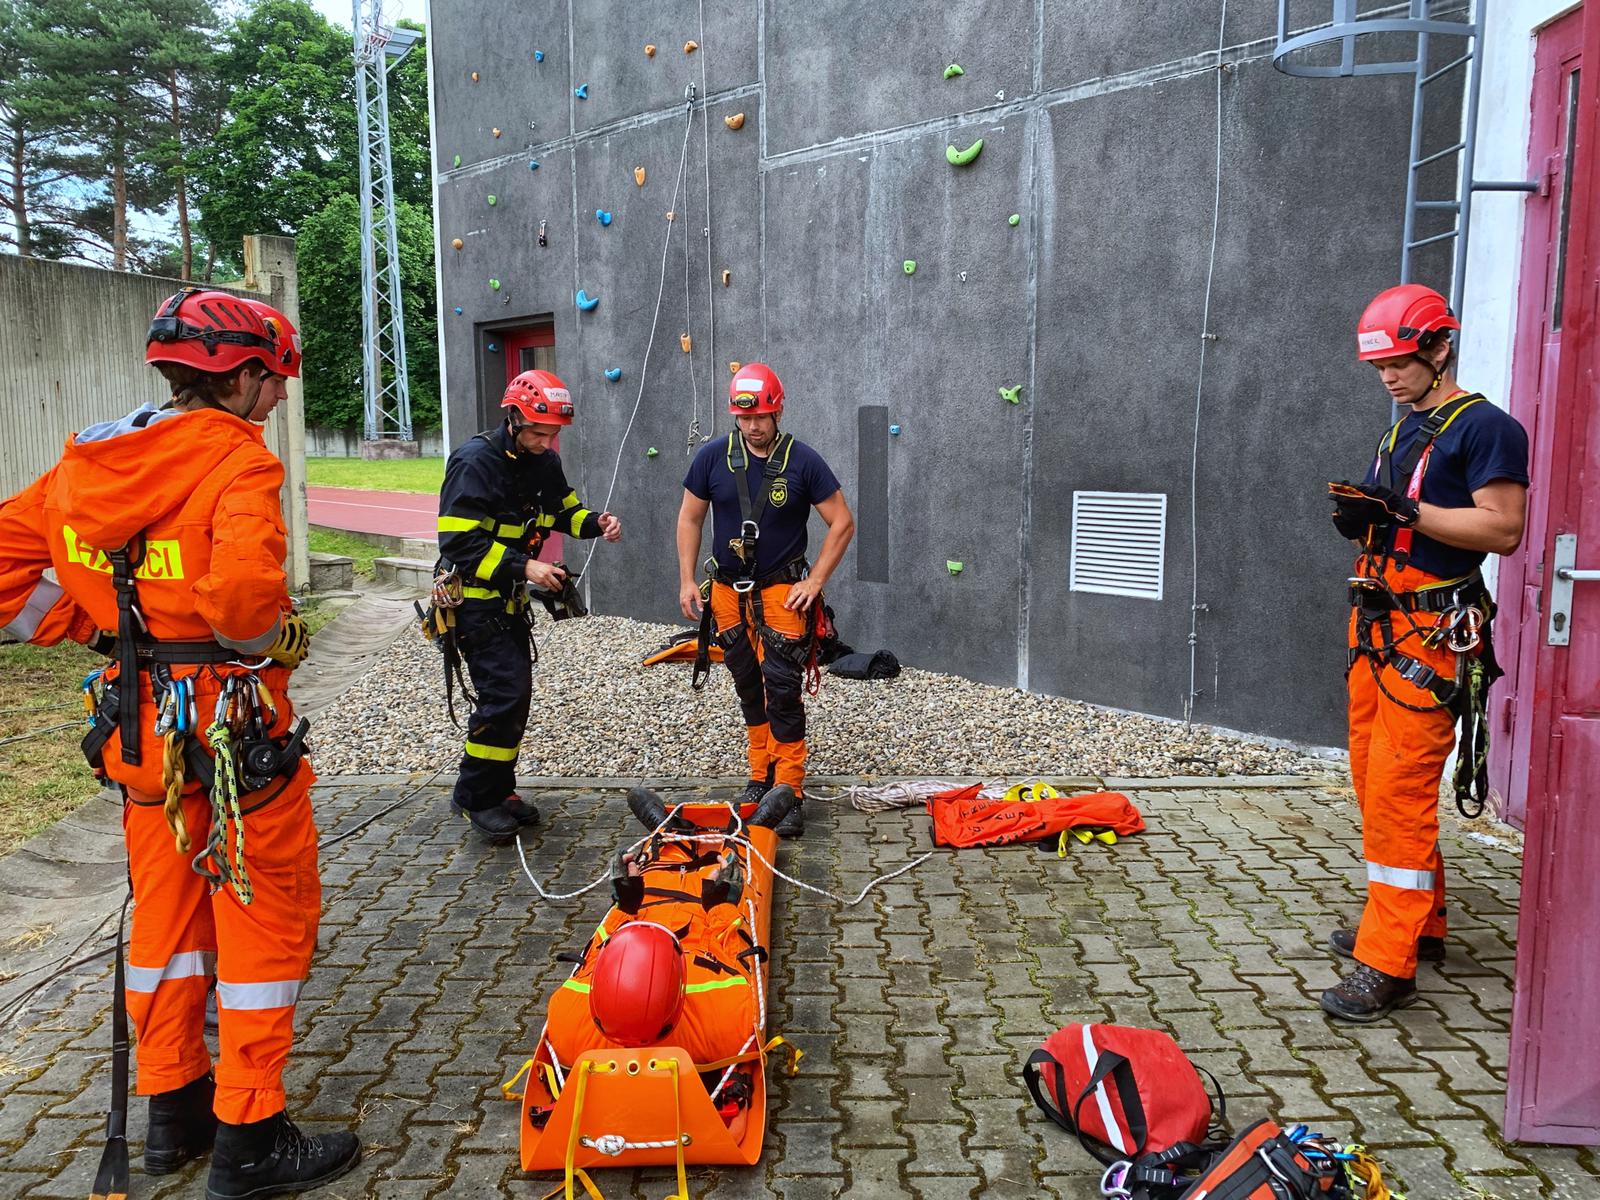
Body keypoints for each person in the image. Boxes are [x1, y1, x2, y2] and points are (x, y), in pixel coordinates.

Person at [0, 288, 361, 1197]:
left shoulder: (87, 465)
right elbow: (243, 608)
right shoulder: (235, 464)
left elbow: (8, 569)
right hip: (237, 742)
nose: (278, 401)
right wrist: (274, 638)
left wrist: (95, 633)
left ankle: (172, 1112)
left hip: (144, 742)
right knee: (263, 923)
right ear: (237, 379)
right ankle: (249, 1138)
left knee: (166, 925)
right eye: (272, 383)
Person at [1321, 284, 1528, 1023]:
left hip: (1432, 637)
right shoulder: (1402, 431)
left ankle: (1389, 960)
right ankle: (1421, 922)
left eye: (1402, 363)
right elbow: (1405, 518)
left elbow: (1503, 530)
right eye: (1380, 369)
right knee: (1373, 780)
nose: (1390, 378)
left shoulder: (1489, 430)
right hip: (1381, 628)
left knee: (1400, 791)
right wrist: (1368, 519)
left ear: (1440, 348)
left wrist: (1409, 510)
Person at [435, 369, 621, 844]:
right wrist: (526, 568)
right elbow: (458, 542)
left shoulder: (544, 463)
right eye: (539, 431)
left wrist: (596, 523)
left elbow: (566, 513)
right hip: (475, 606)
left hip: (509, 605)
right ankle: (476, 798)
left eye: (554, 433)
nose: (546, 441)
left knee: (513, 700)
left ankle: (499, 789)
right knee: (503, 699)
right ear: (514, 418)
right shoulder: (474, 462)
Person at [676, 364, 855, 835]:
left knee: (783, 690)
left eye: (763, 417)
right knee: (747, 687)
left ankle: (790, 791)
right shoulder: (712, 457)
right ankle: (761, 777)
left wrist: (814, 581)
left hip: (782, 592)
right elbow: (690, 519)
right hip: (726, 592)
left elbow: (842, 522)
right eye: (744, 418)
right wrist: (687, 580)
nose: (754, 426)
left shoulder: (804, 462)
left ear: (778, 411)